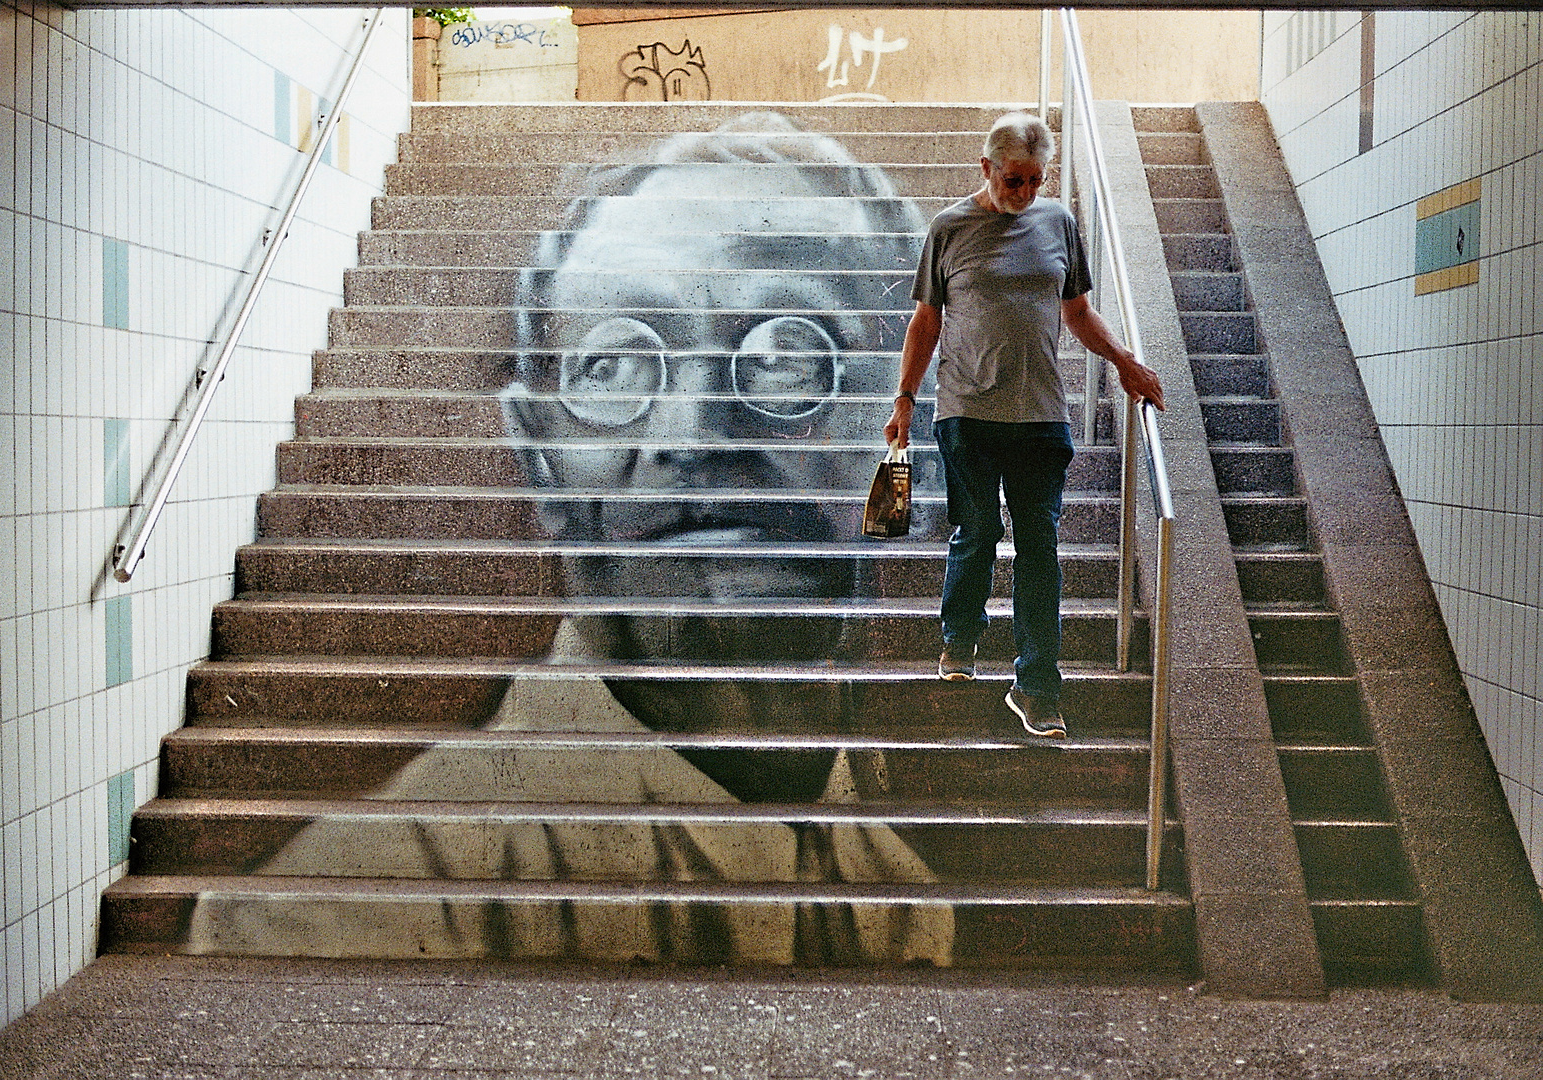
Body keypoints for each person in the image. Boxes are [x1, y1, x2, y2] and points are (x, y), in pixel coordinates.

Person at [184, 112, 954, 967]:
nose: (694, 433)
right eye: (615, 364)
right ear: (540, 456)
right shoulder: (350, 912)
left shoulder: (903, 896)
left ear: (913, 445)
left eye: (789, 355)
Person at [883, 112, 1164, 740]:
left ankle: (1037, 687)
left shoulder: (1058, 223)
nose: (1025, 193)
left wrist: (1124, 363)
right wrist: (904, 397)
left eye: (1036, 181)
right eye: (1014, 180)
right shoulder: (949, 229)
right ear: (986, 168)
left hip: (1041, 414)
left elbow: (1079, 311)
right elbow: (925, 322)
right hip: (967, 410)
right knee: (977, 530)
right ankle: (960, 639)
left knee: (1040, 550)